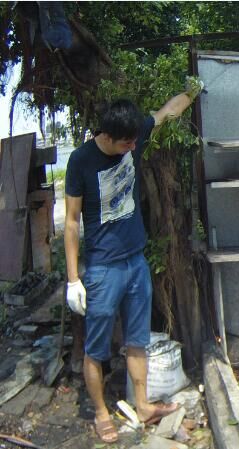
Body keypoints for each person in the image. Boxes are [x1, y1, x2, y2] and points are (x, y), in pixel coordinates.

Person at [64, 77, 203, 443]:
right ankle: (100, 413)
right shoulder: (81, 161)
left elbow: (167, 111)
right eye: (126, 143)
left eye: (134, 141)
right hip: (102, 268)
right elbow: (71, 222)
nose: (132, 147)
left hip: (135, 263)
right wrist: (73, 279)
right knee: (96, 349)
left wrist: (193, 91)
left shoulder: (133, 134)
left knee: (137, 340)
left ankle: (142, 406)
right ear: (107, 136)